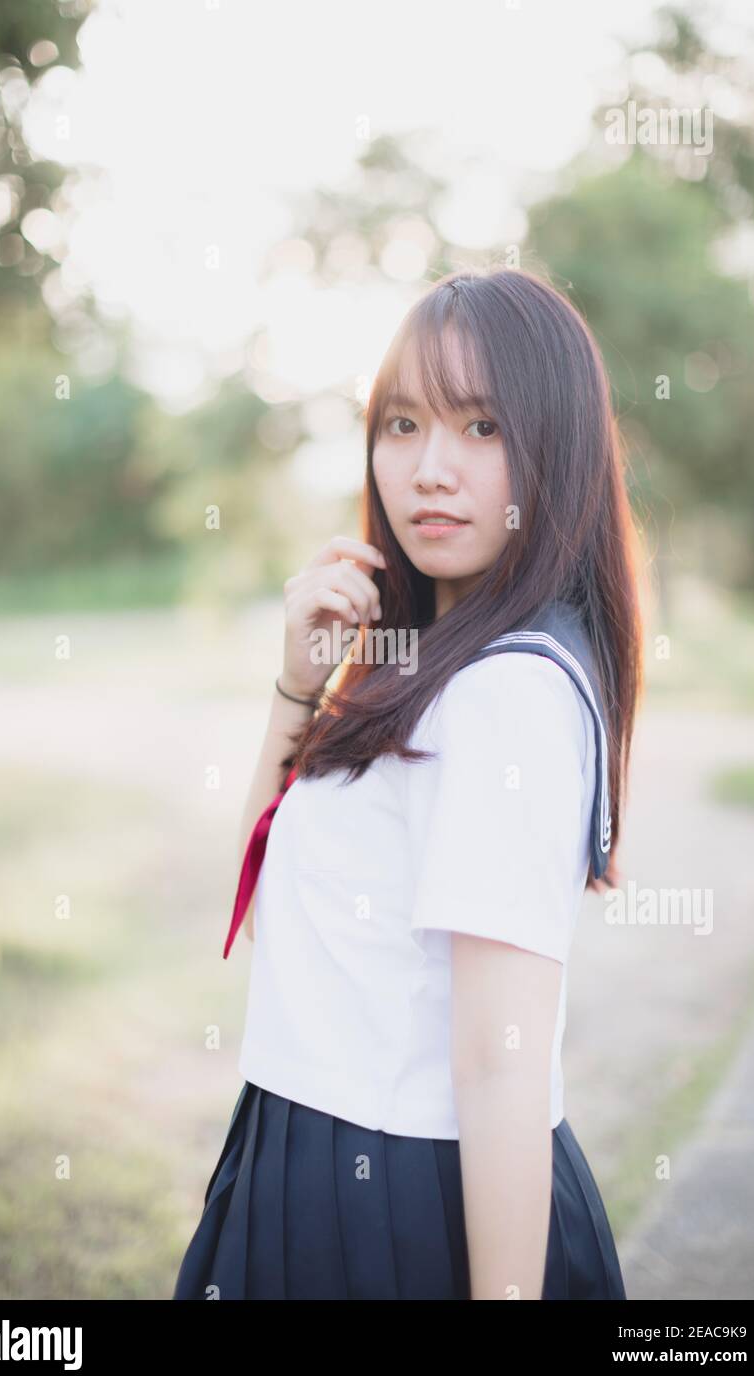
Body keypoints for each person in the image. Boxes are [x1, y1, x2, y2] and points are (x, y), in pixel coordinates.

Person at [173, 266, 642, 1300]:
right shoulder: (436, 665)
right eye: (401, 423)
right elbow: (270, 909)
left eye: (480, 427)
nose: (430, 468)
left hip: (393, 1201)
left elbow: (499, 1063)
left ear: (553, 446)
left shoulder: (504, 697)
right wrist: (298, 685)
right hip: (305, 1156)